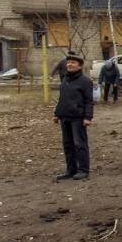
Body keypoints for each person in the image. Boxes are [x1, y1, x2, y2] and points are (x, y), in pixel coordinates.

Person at [53, 52, 93, 181]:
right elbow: (62, 98)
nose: (69, 64)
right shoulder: (65, 78)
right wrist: (57, 114)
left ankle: (83, 170)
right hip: (65, 117)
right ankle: (70, 170)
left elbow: (89, 101)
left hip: (78, 118)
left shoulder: (85, 82)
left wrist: (88, 117)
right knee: (68, 144)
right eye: (68, 62)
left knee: (79, 144)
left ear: (80, 66)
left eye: (73, 63)